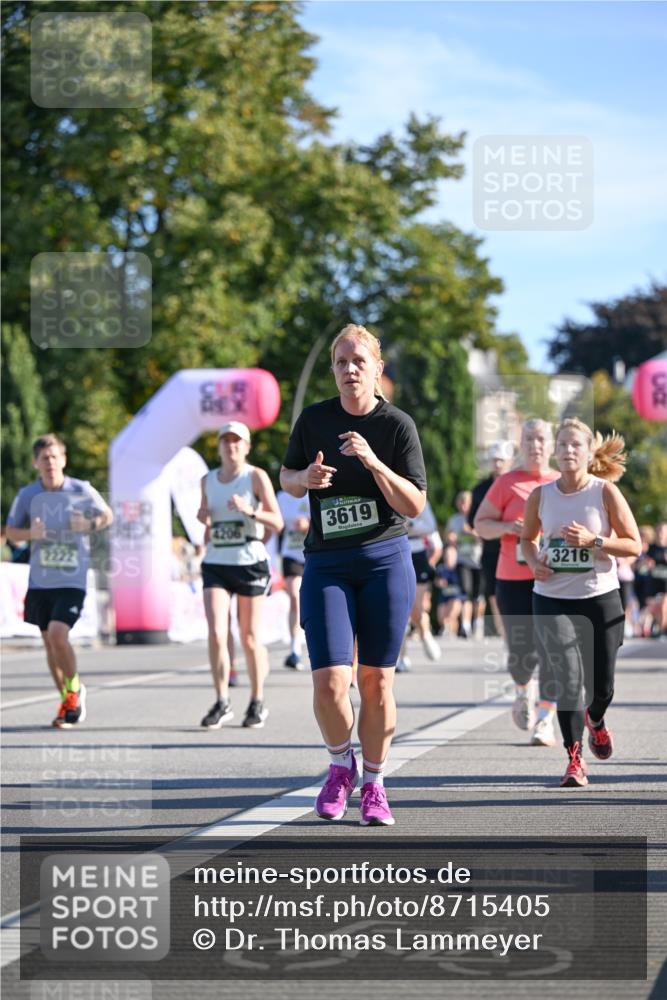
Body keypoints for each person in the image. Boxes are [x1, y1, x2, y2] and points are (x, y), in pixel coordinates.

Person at [280, 323, 426, 826]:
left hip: (385, 559)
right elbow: (288, 478)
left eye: (359, 361)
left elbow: (415, 502)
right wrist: (306, 478)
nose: (349, 370)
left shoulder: (397, 426)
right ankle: (341, 763)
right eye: (341, 362)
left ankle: (376, 783)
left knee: (378, 683)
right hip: (328, 563)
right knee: (329, 682)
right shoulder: (314, 420)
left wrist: (373, 462)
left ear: (377, 369)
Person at [521, 418, 641, 787]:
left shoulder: (604, 492)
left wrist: (594, 541)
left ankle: (597, 720)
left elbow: (634, 544)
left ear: (589, 453)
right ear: (554, 452)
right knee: (567, 679)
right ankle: (575, 759)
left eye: (576, 445)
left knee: (602, 686)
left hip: (600, 596)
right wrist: (533, 561)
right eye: (563, 445)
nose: (569, 451)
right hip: (552, 599)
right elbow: (527, 539)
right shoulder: (541, 495)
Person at [5, 433, 113, 727]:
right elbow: (10, 531)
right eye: (44, 458)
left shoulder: (81, 489)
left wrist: (88, 524)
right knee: (49, 644)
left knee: (57, 635)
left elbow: (107, 515)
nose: (50, 463)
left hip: (72, 578)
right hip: (40, 580)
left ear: (63, 460)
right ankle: (68, 702)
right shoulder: (28, 495)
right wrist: (30, 535)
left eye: (55, 457)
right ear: (35, 463)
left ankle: (74, 690)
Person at [474, 419, 560, 747]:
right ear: (519, 445)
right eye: (528, 439)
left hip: (553, 579)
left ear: (550, 445)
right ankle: (523, 690)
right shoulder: (506, 483)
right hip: (512, 576)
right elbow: (481, 525)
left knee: (553, 650)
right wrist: (509, 526)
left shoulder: (560, 482)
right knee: (521, 653)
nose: (535, 445)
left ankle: (545, 720)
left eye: (541, 439)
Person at [198, 421, 284, 730]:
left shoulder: (255, 477)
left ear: (246, 447)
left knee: (249, 637)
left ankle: (257, 700)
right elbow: (206, 517)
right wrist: (203, 516)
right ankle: (222, 700)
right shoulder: (207, 480)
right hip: (217, 561)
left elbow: (278, 521)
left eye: (237, 442)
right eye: (225, 441)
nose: (231, 446)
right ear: (219, 446)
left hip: (249, 561)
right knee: (218, 633)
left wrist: (251, 511)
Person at [469, 441, 514, 639]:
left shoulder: (517, 484)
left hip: (517, 547)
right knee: (495, 593)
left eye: (501, 461)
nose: (498, 465)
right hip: (491, 548)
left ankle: (520, 632)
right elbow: (472, 519)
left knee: (518, 589)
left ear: (509, 462)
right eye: (495, 460)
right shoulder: (480, 489)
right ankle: (505, 633)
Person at [396, 499, 442, 671]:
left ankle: (425, 633)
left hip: (417, 553)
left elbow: (430, 525)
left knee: (416, 608)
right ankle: (402, 657)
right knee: (399, 608)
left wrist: (411, 525)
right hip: (395, 551)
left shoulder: (418, 498)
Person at [276, 489, 310, 670]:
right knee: (295, 598)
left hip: (313, 551)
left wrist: (308, 524)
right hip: (290, 552)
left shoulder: (311, 492)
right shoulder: (281, 497)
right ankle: (295, 649)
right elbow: (275, 524)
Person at [446, 491, 483, 637]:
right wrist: (451, 538)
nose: (463, 506)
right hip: (463, 560)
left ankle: (478, 623)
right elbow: (448, 537)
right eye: (460, 502)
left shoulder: (478, 517)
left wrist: (471, 533)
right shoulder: (454, 520)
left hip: (479, 561)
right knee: (465, 592)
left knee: (478, 595)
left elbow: (486, 536)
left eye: (466, 502)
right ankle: (465, 625)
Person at [434, 542, 467, 637]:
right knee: (441, 617)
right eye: (447, 555)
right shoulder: (441, 568)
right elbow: (436, 581)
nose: (449, 557)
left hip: (457, 596)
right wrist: (439, 582)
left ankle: (453, 633)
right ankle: (447, 629)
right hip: (444, 596)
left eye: (451, 555)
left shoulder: (460, 569)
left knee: (452, 613)